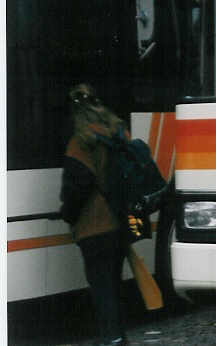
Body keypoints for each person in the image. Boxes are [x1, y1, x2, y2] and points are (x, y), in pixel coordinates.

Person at [59, 84, 131, 346]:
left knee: (101, 288)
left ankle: (111, 339)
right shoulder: (119, 134)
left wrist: (67, 214)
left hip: (93, 226)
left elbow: (76, 187)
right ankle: (119, 336)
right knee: (114, 285)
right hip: (119, 223)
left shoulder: (80, 142)